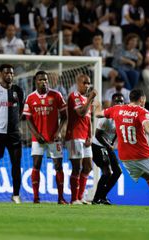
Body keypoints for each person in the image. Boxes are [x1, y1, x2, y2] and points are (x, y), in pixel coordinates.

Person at [23, 71, 68, 204]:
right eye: (41, 80)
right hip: (38, 139)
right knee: (36, 165)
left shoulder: (56, 95)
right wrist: (36, 135)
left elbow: (65, 116)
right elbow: (28, 119)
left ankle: (61, 198)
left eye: (46, 80)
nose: (44, 82)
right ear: (35, 81)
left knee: (58, 166)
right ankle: (36, 198)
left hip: (54, 138)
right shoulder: (30, 98)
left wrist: (59, 132)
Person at [0, 64, 24, 204]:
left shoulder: (18, 91)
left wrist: (14, 124)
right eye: (7, 73)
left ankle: (16, 195)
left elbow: (21, 110)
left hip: (14, 135)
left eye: (12, 73)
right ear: (1, 74)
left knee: (16, 164)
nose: (9, 75)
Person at [65, 74, 97, 204]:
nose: (87, 86)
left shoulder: (85, 98)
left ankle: (80, 197)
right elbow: (81, 113)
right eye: (85, 83)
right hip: (74, 136)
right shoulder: (74, 96)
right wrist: (90, 99)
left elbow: (88, 119)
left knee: (88, 166)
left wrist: (90, 135)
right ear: (78, 83)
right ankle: (74, 199)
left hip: (85, 137)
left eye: (89, 83)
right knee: (76, 167)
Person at [91, 93, 124, 205]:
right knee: (107, 172)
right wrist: (108, 145)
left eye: (121, 101)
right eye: (117, 101)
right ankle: (96, 199)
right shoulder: (106, 116)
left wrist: (111, 144)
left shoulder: (122, 117)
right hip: (97, 146)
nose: (119, 103)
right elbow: (97, 135)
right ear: (112, 103)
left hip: (107, 146)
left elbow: (117, 133)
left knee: (118, 172)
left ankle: (103, 196)